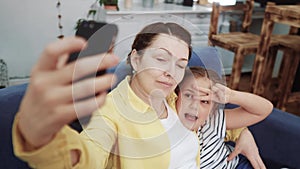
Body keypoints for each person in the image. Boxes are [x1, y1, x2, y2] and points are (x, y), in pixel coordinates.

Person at [12, 21, 261, 169]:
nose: (170, 72)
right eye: (161, 58)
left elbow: (209, 115)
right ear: (136, 58)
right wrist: (42, 140)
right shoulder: (111, 113)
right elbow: (86, 157)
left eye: (180, 64)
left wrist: (243, 133)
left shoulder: (177, 98)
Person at [175, 66, 273, 169]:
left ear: (212, 109)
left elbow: (264, 110)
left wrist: (231, 96)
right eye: (188, 95)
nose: (194, 106)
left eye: (204, 101)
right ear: (175, 96)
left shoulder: (212, 120)